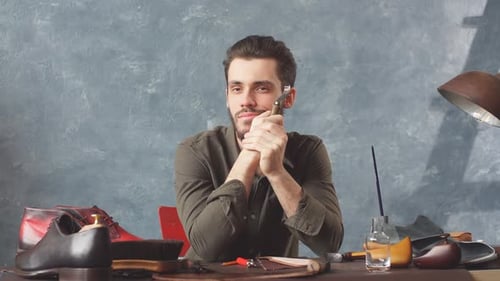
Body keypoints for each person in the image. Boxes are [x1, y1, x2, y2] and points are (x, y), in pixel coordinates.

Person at [174, 35, 343, 262]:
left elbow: (328, 243)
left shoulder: (308, 151)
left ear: (288, 97)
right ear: (227, 97)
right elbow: (205, 246)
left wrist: (277, 173)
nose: (246, 100)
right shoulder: (195, 151)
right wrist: (250, 154)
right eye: (236, 89)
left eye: (261, 88)